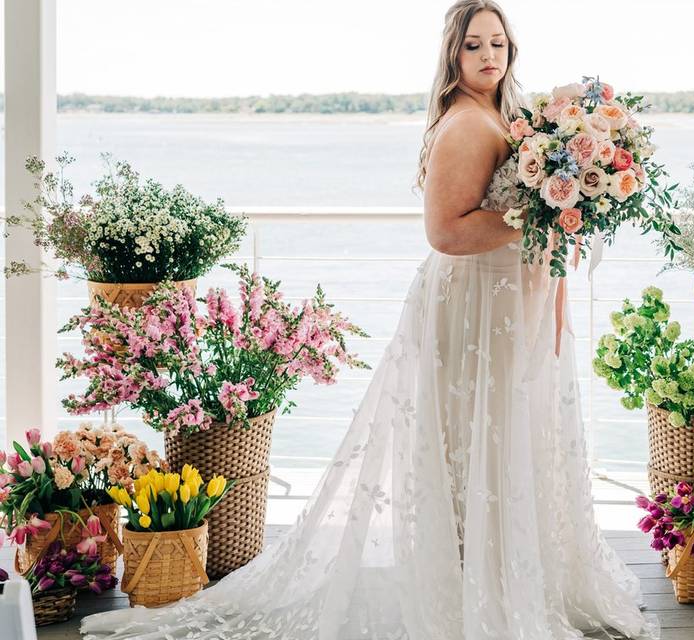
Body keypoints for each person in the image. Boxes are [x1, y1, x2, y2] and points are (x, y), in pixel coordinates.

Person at [80, 2, 657, 638]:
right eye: (474, 46)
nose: (489, 55)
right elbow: (444, 232)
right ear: (453, 56)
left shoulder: (510, 119)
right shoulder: (468, 125)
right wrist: (542, 213)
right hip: (473, 310)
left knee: (501, 441)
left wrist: (563, 208)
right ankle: (478, 589)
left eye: (498, 43)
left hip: (505, 305)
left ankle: (500, 576)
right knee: (472, 446)